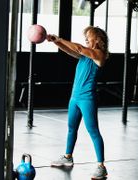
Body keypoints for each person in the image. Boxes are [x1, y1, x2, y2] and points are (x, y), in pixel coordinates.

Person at [46, 26, 109, 179]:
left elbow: (80, 48)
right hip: (75, 98)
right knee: (71, 128)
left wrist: (60, 38)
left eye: (89, 36)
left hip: (87, 99)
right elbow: (70, 50)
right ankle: (68, 157)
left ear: (98, 40)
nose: (86, 39)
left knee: (93, 131)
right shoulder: (84, 56)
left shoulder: (99, 55)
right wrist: (56, 42)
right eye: (85, 37)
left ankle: (101, 166)